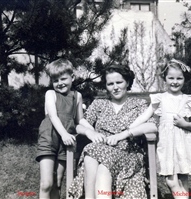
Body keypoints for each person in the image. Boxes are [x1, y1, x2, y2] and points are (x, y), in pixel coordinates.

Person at [68, 64, 157, 199]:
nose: (115, 87)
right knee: (92, 152)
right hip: (99, 150)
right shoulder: (99, 104)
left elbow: (152, 127)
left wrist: (124, 134)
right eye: (110, 84)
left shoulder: (139, 104)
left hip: (127, 154)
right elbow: (79, 125)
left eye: (119, 82)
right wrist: (90, 132)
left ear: (127, 82)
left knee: (100, 163)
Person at [130, 59, 191, 199]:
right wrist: (130, 127)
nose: (175, 82)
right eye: (171, 78)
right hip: (167, 144)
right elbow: (145, 115)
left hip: (184, 144)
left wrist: (185, 124)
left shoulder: (187, 100)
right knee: (170, 180)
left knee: (183, 178)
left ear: (184, 79)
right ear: (165, 78)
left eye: (179, 78)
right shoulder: (160, 98)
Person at [36, 58, 92, 199]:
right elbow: (53, 116)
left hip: (65, 142)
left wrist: (94, 131)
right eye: (55, 80)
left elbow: (80, 119)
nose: (60, 83)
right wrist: (64, 134)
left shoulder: (77, 96)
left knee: (58, 183)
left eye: (63, 79)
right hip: (49, 138)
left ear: (72, 77)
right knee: (46, 184)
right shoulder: (50, 94)